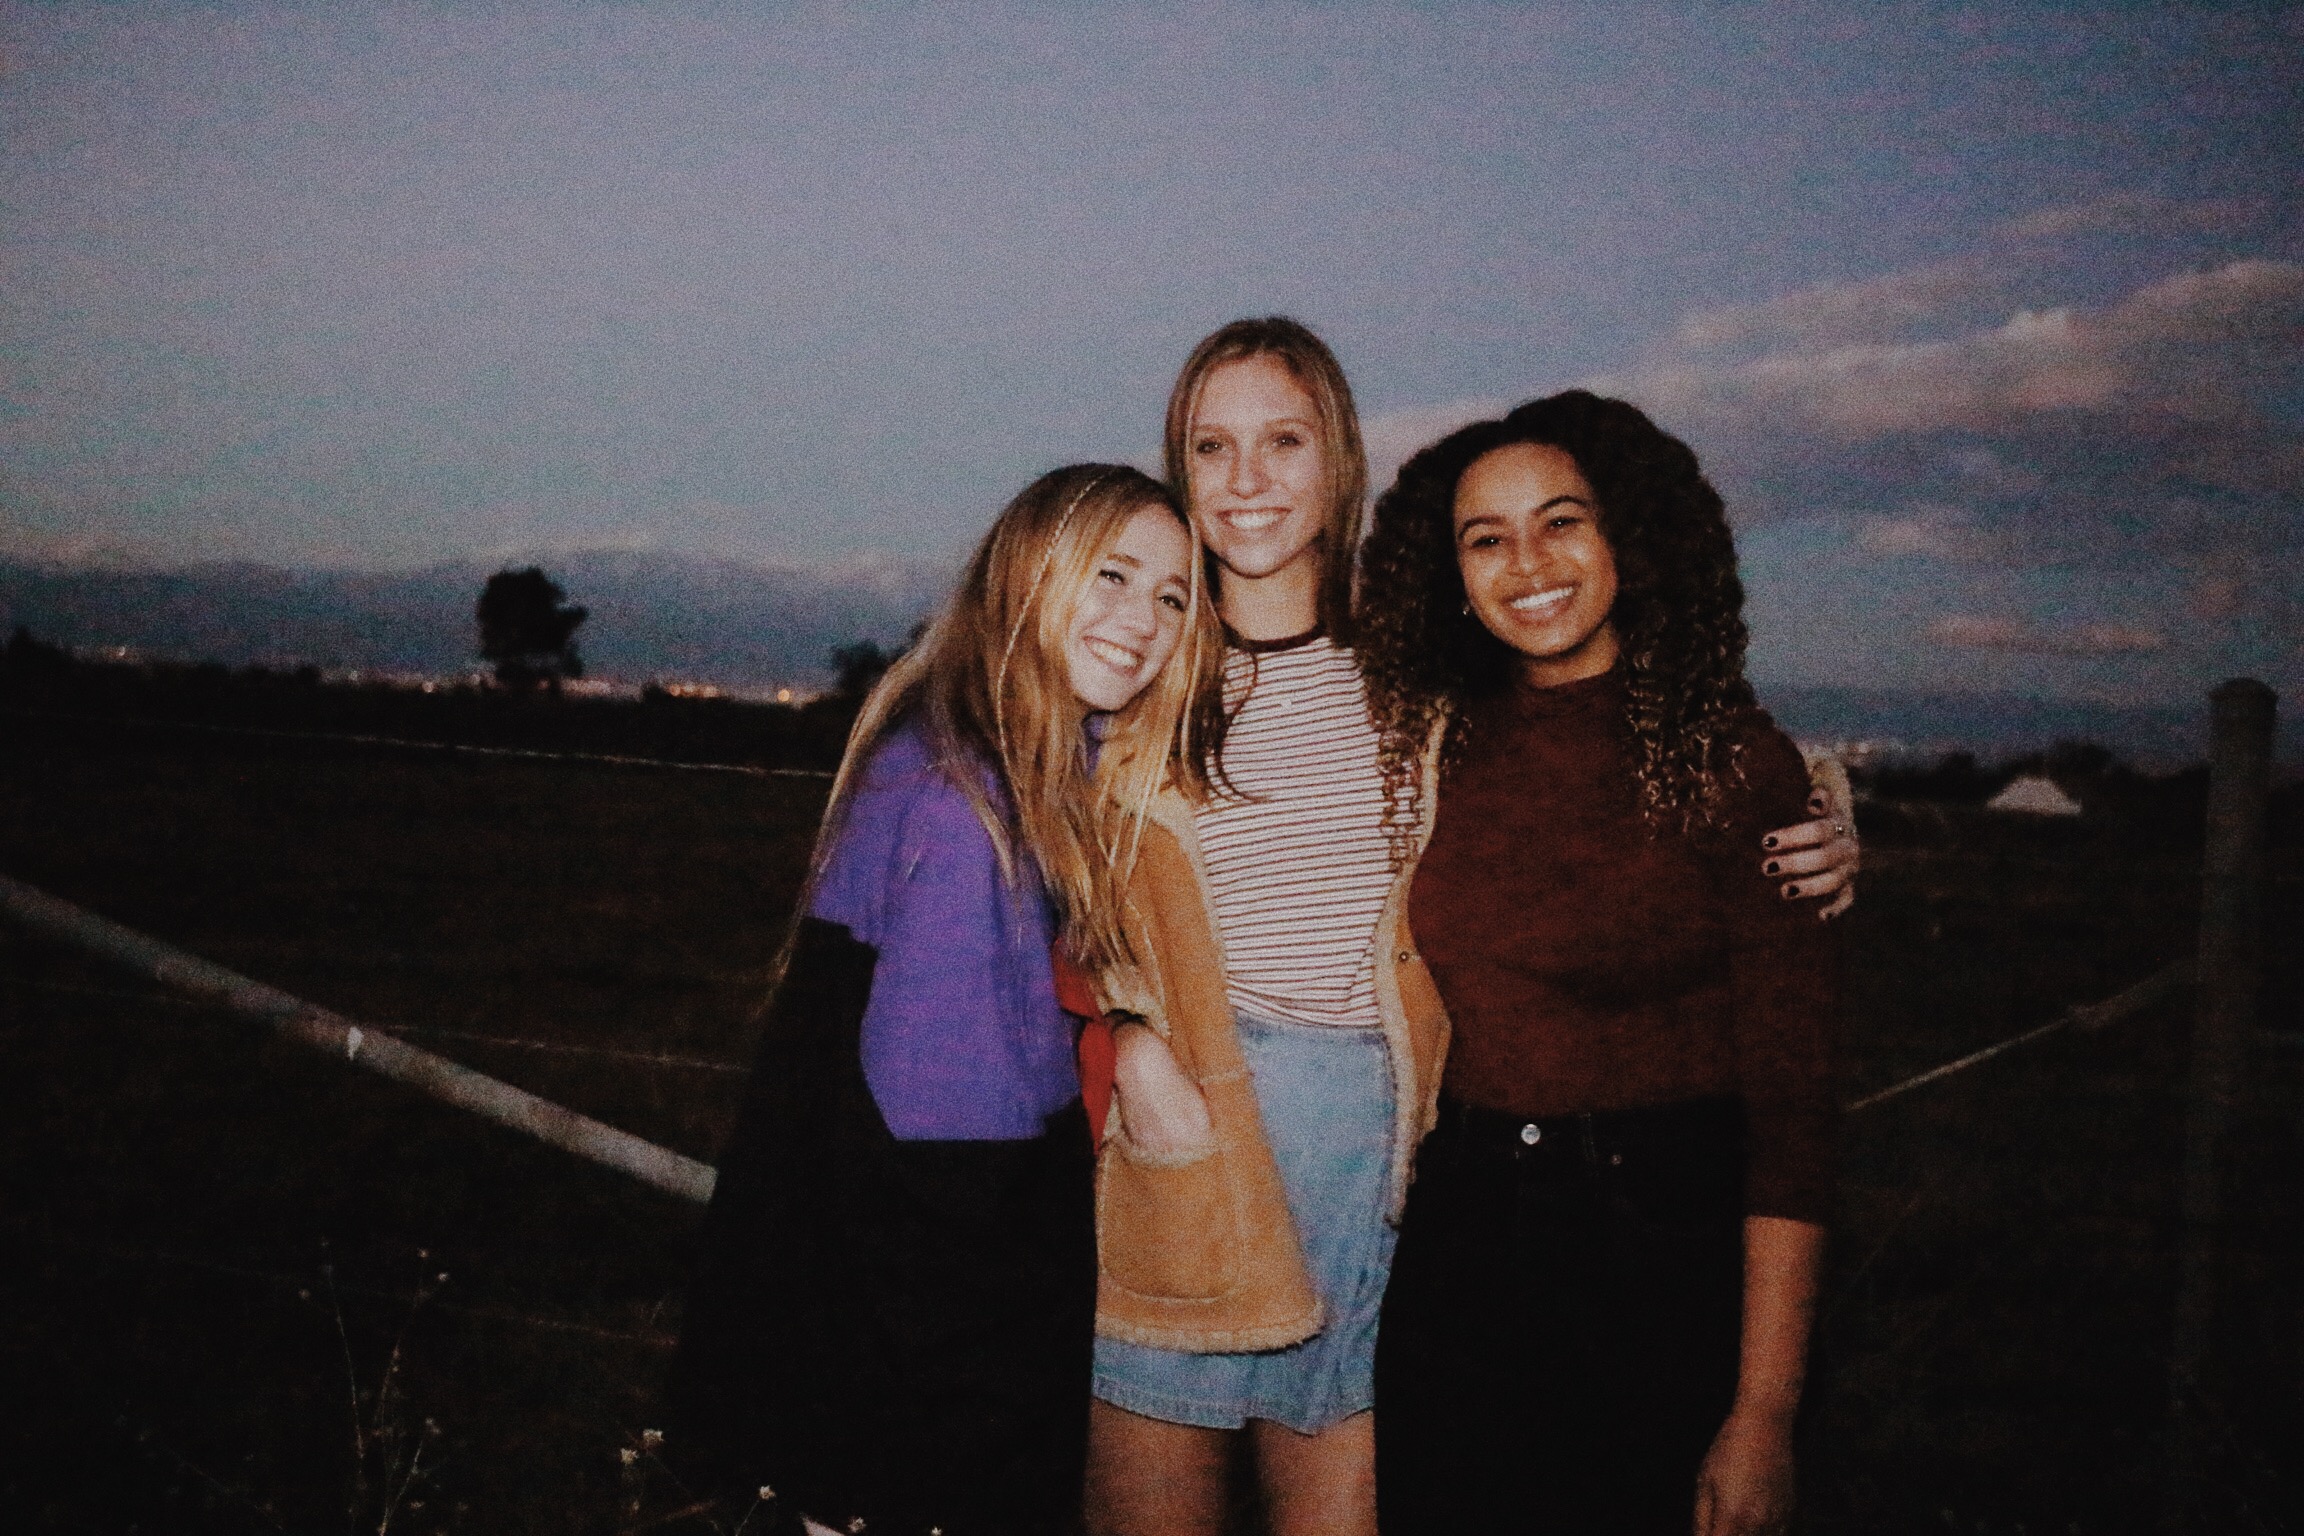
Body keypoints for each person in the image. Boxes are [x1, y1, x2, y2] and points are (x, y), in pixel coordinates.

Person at [1081, 322, 1860, 1536]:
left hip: (1383, 1173)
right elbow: (1047, 871)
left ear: (1340, 459)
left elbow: (1616, 756)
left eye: (1283, 441)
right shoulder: (1140, 667)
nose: (1246, 479)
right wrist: (1122, 1031)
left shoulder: (1415, 685)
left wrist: (1825, 810)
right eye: (1211, 446)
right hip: (1190, 1147)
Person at [667, 463, 1222, 1536]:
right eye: (1111, 575)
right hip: (907, 1401)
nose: (1143, 620)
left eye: (1172, 597)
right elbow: (945, 1181)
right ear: (1026, 570)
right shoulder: (969, 808)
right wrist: (986, 1438)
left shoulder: (983, 760)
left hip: (841, 1369)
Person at [1357, 390, 1841, 1536]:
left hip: (1658, 1244)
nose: (1528, 563)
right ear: (1453, 575)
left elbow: (1796, 1118)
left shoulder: (1731, 760)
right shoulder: (1431, 742)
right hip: (1462, 1232)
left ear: (1628, 533)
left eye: (1562, 521)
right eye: (1487, 539)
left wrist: (1765, 1410)